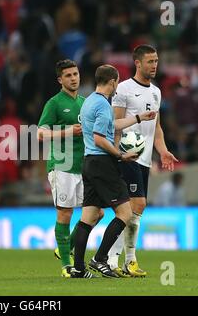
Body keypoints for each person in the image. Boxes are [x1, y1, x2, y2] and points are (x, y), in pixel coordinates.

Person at [71, 64, 156, 278]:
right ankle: (99, 259)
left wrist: (138, 118)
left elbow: (112, 126)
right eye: (117, 81)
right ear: (113, 81)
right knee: (125, 213)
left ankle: (79, 269)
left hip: (89, 163)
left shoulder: (91, 101)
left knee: (89, 216)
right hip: (102, 164)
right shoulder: (101, 105)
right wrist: (120, 155)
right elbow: (101, 138)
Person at [108, 44, 178, 277]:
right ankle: (114, 259)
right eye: (150, 61)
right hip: (127, 156)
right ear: (137, 63)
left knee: (134, 211)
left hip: (146, 158)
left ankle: (126, 261)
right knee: (136, 206)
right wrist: (116, 154)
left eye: (156, 60)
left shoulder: (156, 92)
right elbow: (114, 124)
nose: (155, 65)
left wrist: (163, 150)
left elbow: (156, 127)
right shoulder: (123, 90)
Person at [37, 59, 84, 278]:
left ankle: (62, 248)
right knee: (65, 213)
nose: (73, 78)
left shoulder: (86, 103)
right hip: (61, 165)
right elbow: (41, 134)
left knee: (96, 212)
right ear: (60, 80)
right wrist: (67, 131)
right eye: (68, 75)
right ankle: (67, 265)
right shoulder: (54, 103)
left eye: (75, 74)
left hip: (83, 166)